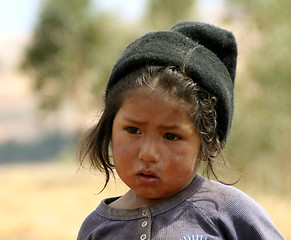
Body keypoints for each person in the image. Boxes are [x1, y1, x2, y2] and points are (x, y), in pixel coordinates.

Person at [77, 21, 285, 240]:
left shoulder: (230, 212)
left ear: (209, 144)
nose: (148, 153)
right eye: (133, 130)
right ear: (110, 128)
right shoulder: (96, 228)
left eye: (171, 136)